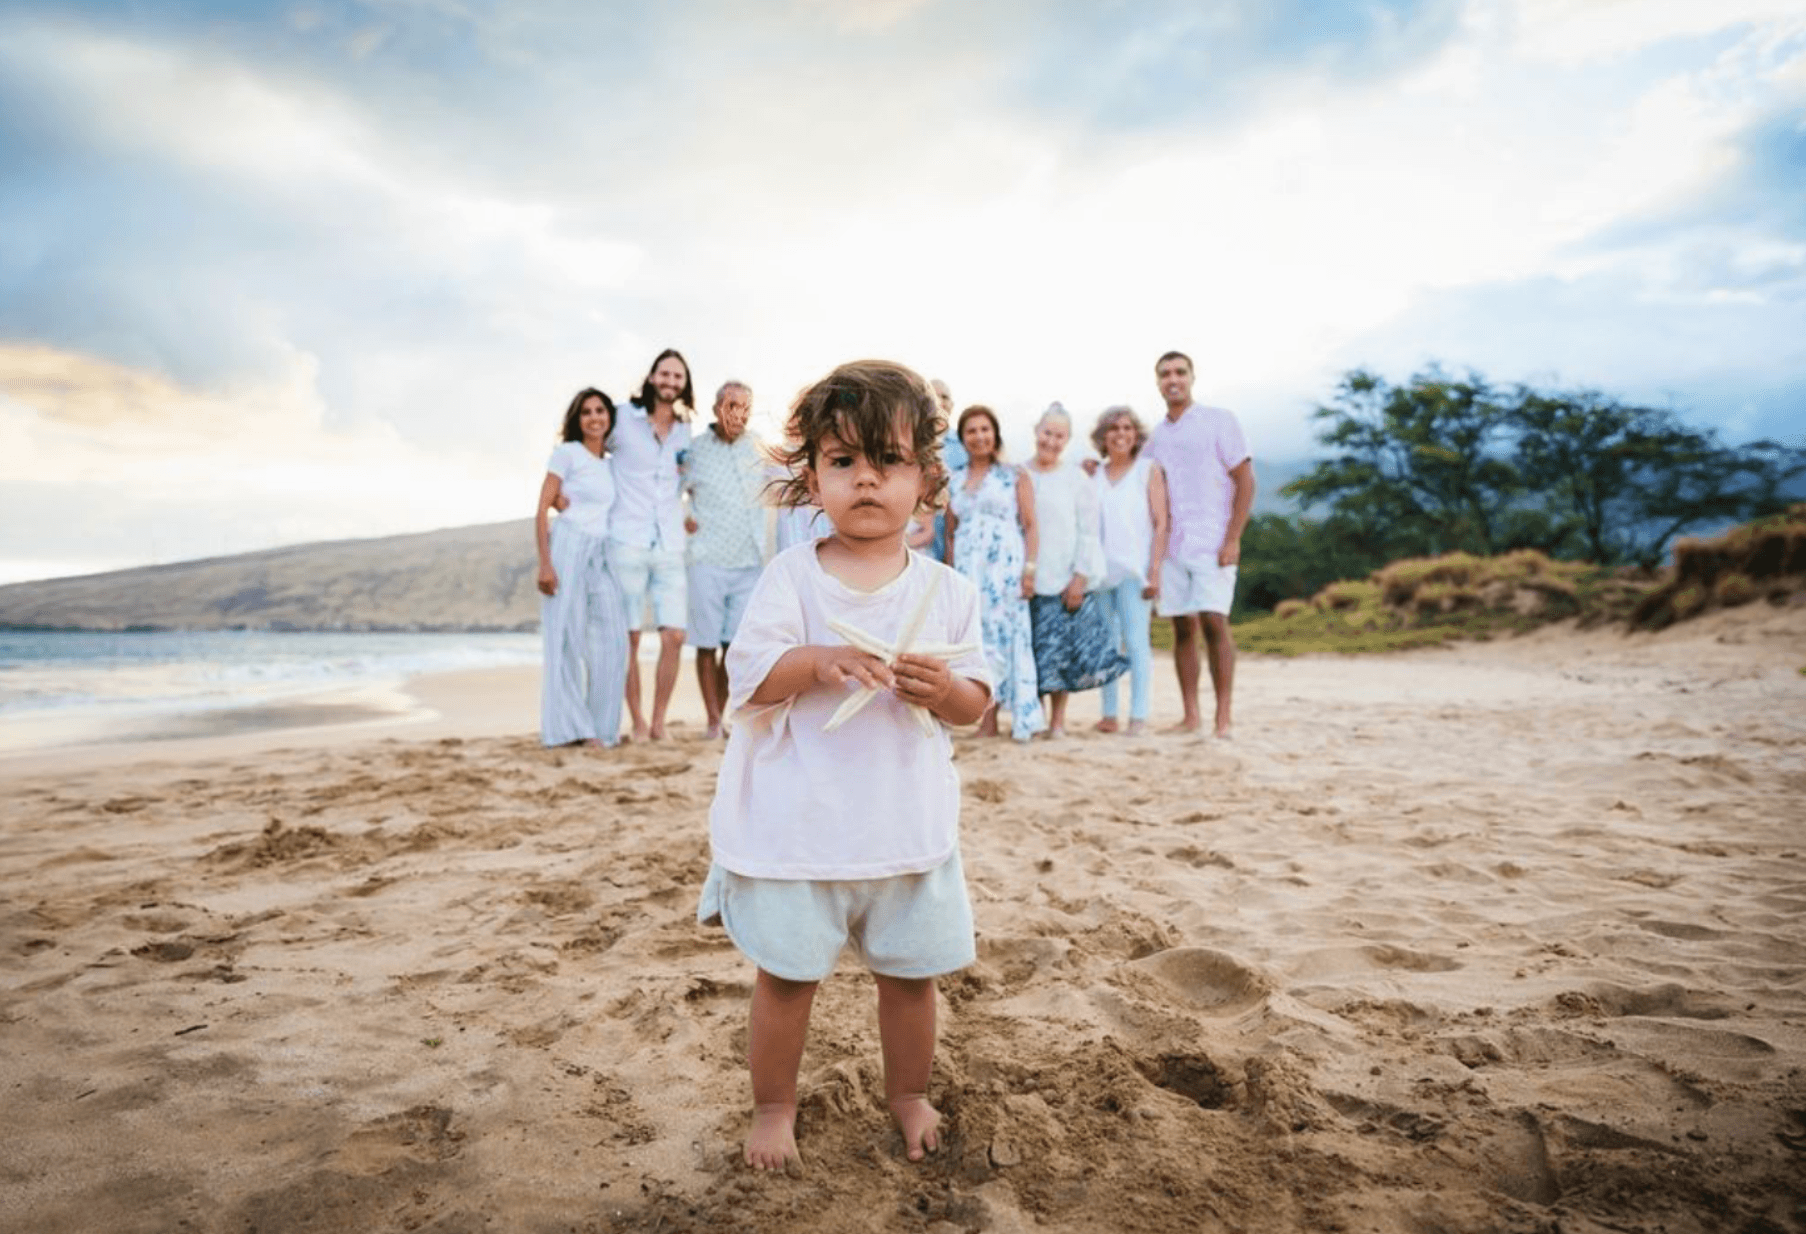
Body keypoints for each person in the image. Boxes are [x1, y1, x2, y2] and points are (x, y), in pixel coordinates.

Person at [699, 359, 992, 1171]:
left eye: (888, 461)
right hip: (804, 825)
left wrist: (945, 690)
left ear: (927, 479)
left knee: (912, 978)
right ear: (811, 477)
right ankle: (774, 1106)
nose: (866, 479)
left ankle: (907, 1094)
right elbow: (748, 679)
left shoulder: (948, 592)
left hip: (905, 824)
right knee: (787, 981)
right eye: (842, 461)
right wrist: (816, 659)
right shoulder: (790, 578)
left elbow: (977, 705)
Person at [1142, 351, 1254, 737]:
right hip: (1173, 545)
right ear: (1157, 382)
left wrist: (1233, 537)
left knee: (1214, 621)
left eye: (1179, 372)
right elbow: (1138, 482)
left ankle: (1223, 717)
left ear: (1192, 377)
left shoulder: (1220, 421)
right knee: (1182, 627)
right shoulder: (1155, 437)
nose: (1172, 379)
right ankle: (1191, 716)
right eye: (1165, 374)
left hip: (1213, 541)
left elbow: (1246, 480)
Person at [1022, 403, 1126, 737]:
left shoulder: (1076, 478)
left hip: (1063, 577)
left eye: (1059, 436)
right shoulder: (1017, 473)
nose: (1051, 441)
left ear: (1066, 440)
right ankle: (1033, 718)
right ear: (1036, 431)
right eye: (1047, 433)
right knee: (1031, 652)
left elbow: (1088, 531)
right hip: (1024, 580)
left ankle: (1057, 722)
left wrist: (1081, 576)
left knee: (1060, 653)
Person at [534, 388, 630, 748]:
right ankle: (573, 730)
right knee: (565, 639)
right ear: (577, 419)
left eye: (601, 411)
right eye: (587, 412)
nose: (594, 417)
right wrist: (545, 563)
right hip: (569, 545)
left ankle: (603, 728)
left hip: (601, 551)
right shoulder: (567, 453)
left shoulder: (608, 463)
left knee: (612, 640)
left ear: (609, 418)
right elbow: (542, 508)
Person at [609, 348, 695, 742]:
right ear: (652, 376)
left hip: (671, 542)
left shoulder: (684, 430)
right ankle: (638, 722)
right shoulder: (621, 418)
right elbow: (591, 449)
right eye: (665, 374)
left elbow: (686, 480)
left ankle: (659, 721)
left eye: (678, 377)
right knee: (628, 635)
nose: (670, 381)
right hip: (626, 537)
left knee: (674, 635)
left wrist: (690, 511)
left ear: (684, 384)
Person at [945, 404, 1042, 741]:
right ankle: (986, 719)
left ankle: (1005, 720)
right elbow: (950, 532)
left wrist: (1029, 571)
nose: (979, 436)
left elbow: (1030, 526)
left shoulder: (1015, 475)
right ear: (962, 438)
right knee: (977, 640)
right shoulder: (954, 480)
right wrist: (952, 577)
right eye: (971, 431)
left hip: (1005, 569)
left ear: (995, 433)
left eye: (985, 429)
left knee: (1005, 638)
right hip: (968, 570)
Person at [684, 381, 766, 739]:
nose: (739, 413)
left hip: (750, 559)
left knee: (734, 645)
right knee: (706, 643)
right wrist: (680, 517)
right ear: (717, 407)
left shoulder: (758, 446)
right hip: (708, 558)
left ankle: (725, 712)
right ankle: (712, 720)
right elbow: (666, 489)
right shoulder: (695, 450)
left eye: (746, 407)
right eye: (732, 405)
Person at [1090, 405, 1169, 736]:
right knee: (1106, 646)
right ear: (1102, 437)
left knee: (1137, 644)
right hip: (1099, 573)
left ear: (1136, 434)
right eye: (1113, 428)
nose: (1120, 434)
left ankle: (1138, 716)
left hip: (1135, 572)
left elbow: (1161, 521)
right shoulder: (1093, 475)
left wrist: (1155, 570)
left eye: (1126, 428)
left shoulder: (1147, 470)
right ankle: (1109, 714)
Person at [925, 379, 967, 562]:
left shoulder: (965, 444)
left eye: (945, 397)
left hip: (956, 531)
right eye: (934, 396)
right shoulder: (909, 442)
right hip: (920, 535)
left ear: (952, 405)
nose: (940, 401)